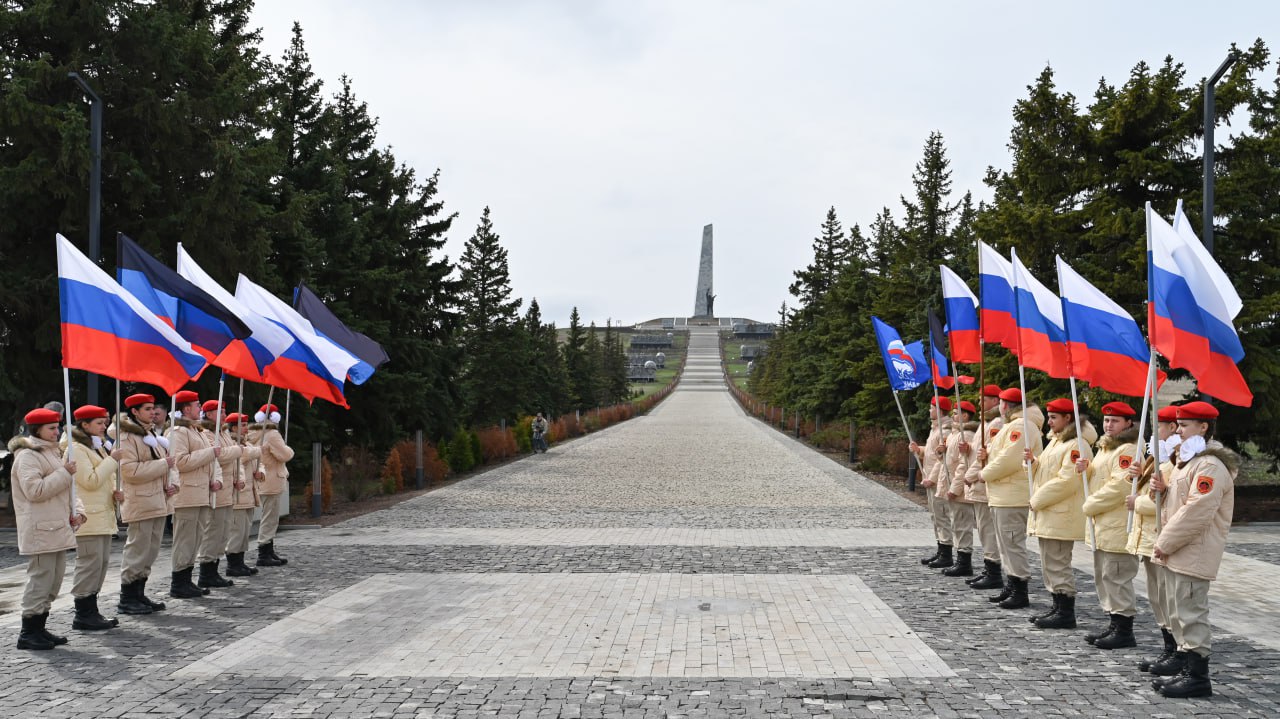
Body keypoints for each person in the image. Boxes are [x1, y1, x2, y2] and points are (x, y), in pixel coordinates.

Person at [1149, 401, 1236, 699]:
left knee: (1191, 612)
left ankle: (1198, 678)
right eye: (1178, 424)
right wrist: (1159, 490)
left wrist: (1164, 542)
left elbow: (1196, 511)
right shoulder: (1188, 461)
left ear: (1204, 427)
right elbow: (1177, 502)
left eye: (1185, 425)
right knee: (1178, 612)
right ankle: (1186, 668)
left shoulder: (1209, 465)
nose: (1179, 430)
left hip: (1193, 550)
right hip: (1179, 550)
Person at [10, 407, 86, 650]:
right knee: (40, 581)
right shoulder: (28, 456)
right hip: (41, 529)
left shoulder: (52, 453)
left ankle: (40, 628)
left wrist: (78, 512)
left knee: (52, 583)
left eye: (58, 427)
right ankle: (28, 632)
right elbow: (36, 491)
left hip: (56, 527)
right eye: (52, 428)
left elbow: (69, 489)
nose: (57, 432)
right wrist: (65, 472)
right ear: (37, 430)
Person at [1026, 398, 1096, 630]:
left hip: (1060, 513)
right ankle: (1057, 605)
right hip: (1050, 512)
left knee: (1058, 563)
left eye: (1054, 417)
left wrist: (1037, 500)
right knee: (1050, 562)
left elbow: (1067, 481)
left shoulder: (1077, 445)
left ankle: (1065, 611)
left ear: (1068, 418)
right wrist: (1034, 463)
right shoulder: (1057, 442)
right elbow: (1047, 472)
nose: (1050, 421)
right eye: (1050, 416)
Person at [1077, 401, 1141, 648]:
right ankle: (1114, 623)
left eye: (1115, 421)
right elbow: (1101, 478)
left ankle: (1124, 630)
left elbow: (1121, 485)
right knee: (1105, 576)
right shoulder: (1106, 448)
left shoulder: (1127, 450)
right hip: (1103, 523)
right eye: (1106, 420)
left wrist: (1090, 504)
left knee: (1117, 576)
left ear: (1128, 424)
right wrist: (1087, 469)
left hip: (1117, 522)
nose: (1109, 424)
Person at [979, 388, 1043, 609]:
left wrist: (984, 473)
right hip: (1003, 494)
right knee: (1006, 544)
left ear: (1006, 405)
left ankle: (1020, 589)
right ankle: (1012, 583)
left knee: (1012, 543)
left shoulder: (1021, 426)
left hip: (1012, 495)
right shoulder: (1013, 425)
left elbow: (1009, 459)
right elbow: (1000, 454)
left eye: (1002, 403)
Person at [112, 393, 174, 615]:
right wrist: (163, 465)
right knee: (138, 550)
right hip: (140, 501)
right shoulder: (128, 437)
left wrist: (168, 483)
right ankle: (127, 597)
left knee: (150, 551)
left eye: (153, 408)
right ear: (135, 412)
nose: (153, 412)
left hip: (156, 500)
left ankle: (139, 593)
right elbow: (130, 472)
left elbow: (158, 467)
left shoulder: (149, 434)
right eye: (147, 409)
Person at [1129, 405, 1180, 673]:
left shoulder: (1173, 463)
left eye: (1159, 426)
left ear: (1172, 429)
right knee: (1156, 597)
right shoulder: (1157, 460)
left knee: (1167, 597)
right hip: (1148, 536)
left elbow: (1163, 504)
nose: (1153, 431)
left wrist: (1137, 501)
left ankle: (1176, 652)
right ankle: (1168, 649)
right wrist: (1137, 479)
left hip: (1160, 536)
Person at [65, 405, 122, 631]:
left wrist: (116, 492)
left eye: (104, 421)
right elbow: (89, 480)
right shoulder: (77, 448)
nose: (104, 426)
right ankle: (83, 613)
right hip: (89, 517)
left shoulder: (95, 447)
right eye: (99, 422)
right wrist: (112, 460)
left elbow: (104, 481)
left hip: (103, 516)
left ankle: (92, 610)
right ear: (84, 425)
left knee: (100, 565)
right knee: (89, 565)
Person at [167, 389, 223, 597]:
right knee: (185, 540)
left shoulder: (196, 431)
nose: (200, 409)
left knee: (195, 539)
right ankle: (179, 582)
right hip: (187, 495)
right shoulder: (178, 432)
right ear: (186, 408)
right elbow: (180, 462)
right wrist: (209, 453)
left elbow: (209, 462)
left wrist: (215, 478)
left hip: (200, 493)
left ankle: (187, 579)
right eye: (197, 405)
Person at [964, 384, 1005, 590]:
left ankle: (994, 571)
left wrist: (969, 476)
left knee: (988, 530)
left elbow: (989, 453)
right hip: (978, 480)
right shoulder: (986, 422)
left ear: (996, 401)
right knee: (983, 529)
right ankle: (988, 568)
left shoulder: (996, 422)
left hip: (983, 481)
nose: (981, 403)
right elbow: (978, 451)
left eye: (985, 400)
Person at [197, 399, 239, 588]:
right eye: (220, 411)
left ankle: (214, 569)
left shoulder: (222, 433)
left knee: (223, 533)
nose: (224, 415)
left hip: (228, 488)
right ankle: (206, 571)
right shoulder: (207, 433)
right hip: (217, 491)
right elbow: (220, 455)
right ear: (209, 414)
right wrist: (238, 450)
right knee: (213, 532)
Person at [248, 404, 293, 567]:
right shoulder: (272, 433)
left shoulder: (253, 432)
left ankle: (268, 549)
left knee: (269, 517)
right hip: (272, 479)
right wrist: (288, 448)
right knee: (270, 518)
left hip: (263, 480)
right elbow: (285, 455)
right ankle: (264, 551)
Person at [913, 396, 954, 568]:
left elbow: (941, 459)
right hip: (930, 478)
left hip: (937, 481)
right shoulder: (935, 429)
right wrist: (919, 450)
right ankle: (940, 549)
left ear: (939, 411)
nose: (929, 411)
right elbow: (932, 453)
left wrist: (932, 478)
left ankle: (946, 552)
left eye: (931, 408)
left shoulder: (945, 430)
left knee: (942, 516)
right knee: (935, 516)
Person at [942, 400, 980, 577]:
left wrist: (955, 488)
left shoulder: (968, 435)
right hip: (953, 485)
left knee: (963, 525)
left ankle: (964, 562)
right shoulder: (955, 434)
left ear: (965, 416)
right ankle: (960, 559)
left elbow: (963, 464)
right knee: (957, 524)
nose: (952, 416)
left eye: (956, 413)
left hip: (961, 489)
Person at [222, 413, 263, 577]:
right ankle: (233, 564)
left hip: (249, 493)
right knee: (237, 531)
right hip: (238, 494)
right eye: (243, 425)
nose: (247, 428)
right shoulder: (232, 443)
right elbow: (243, 456)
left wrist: (260, 471)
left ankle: (240, 562)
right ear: (234, 428)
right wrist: (258, 450)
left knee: (244, 531)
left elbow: (258, 463)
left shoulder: (246, 443)